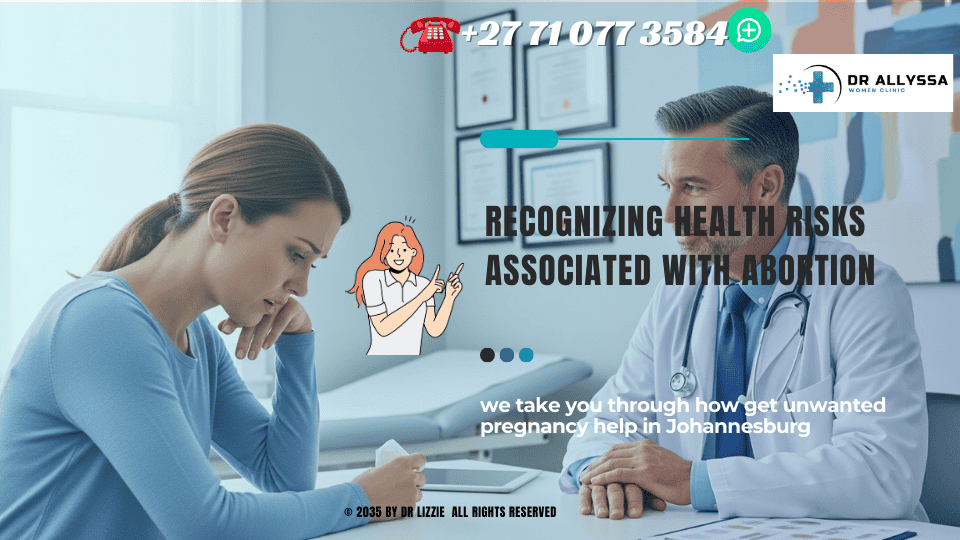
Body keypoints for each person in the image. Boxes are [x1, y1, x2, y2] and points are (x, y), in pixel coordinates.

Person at [0, 124, 426, 539]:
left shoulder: (196, 337)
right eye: (295, 253)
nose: (302, 286)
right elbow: (205, 525)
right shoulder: (100, 320)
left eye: (311, 263)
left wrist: (297, 344)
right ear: (224, 219)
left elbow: (284, 478)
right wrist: (361, 499)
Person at [560, 86, 928, 521]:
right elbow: (604, 425)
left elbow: (882, 471)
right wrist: (606, 472)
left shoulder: (862, 291)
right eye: (667, 186)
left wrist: (692, 480)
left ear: (767, 187)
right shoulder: (679, 293)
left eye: (692, 188)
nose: (669, 213)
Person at [347, 222, 463, 355]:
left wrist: (450, 297)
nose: (398, 255)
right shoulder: (373, 278)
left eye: (403, 249)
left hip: (412, 362)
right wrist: (422, 297)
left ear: (413, 252)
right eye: (391, 250)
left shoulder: (424, 284)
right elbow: (383, 328)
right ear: (383, 253)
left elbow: (434, 329)